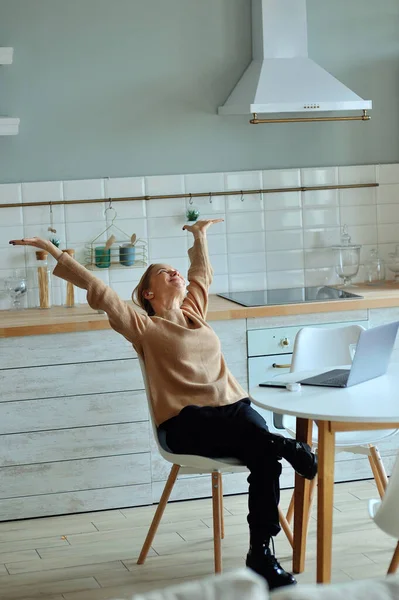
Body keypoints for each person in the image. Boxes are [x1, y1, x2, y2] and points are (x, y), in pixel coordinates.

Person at [10, 219, 317, 590]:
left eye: (174, 268)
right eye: (161, 271)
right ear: (148, 294)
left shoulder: (195, 314)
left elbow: (201, 273)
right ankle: (287, 450)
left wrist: (199, 235)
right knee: (266, 445)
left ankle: (261, 554)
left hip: (233, 410)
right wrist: (55, 251)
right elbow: (98, 288)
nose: (173, 271)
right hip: (186, 423)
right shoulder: (142, 326)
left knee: (264, 453)